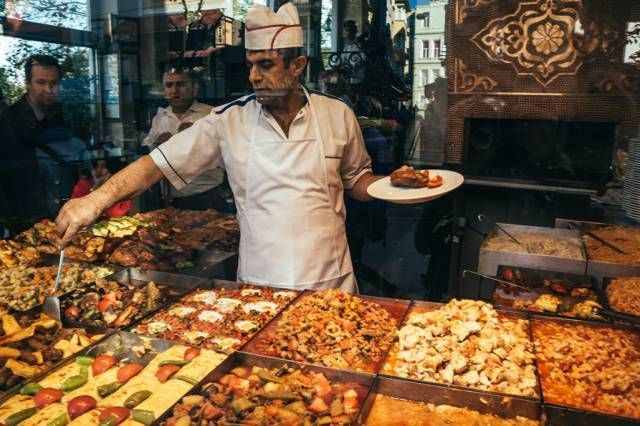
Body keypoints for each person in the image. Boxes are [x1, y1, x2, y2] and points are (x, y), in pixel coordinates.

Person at [56, 3, 381, 292]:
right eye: (250, 64)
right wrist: (95, 200)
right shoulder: (228, 121)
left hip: (332, 285)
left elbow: (357, 181)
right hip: (260, 288)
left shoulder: (338, 114)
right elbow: (155, 164)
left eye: (266, 65)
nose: (253, 76)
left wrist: (393, 187)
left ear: (297, 65)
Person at [0, 54, 69, 230]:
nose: (48, 89)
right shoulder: (7, 120)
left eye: (53, 83)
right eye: (41, 82)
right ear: (27, 83)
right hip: (20, 220)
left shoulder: (61, 117)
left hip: (59, 214)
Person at [143, 65, 226, 211]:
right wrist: (157, 144)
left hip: (206, 197)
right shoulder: (160, 117)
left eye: (180, 84)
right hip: (170, 200)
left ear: (194, 88)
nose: (174, 91)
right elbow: (148, 150)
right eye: (169, 85)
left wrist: (196, 139)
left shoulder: (210, 115)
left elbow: (227, 153)